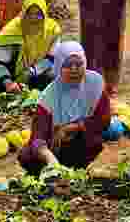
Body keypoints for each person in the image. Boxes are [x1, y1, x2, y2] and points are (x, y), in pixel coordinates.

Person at [17, 41, 113, 175]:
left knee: (91, 140)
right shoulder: (48, 97)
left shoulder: (94, 85)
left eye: (78, 64)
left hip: (82, 144)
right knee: (26, 155)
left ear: (85, 64)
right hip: (55, 148)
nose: (74, 69)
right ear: (58, 67)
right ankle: (54, 170)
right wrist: (51, 160)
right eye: (67, 65)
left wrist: (73, 127)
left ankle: (78, 168)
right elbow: (37, 137)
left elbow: (104, 119)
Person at [0, 0, 61, 94]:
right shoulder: (11, 31)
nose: (33, 18)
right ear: (23, 13)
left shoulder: (52, 29)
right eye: (29, 14)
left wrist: (31, 72)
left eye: (38, 14)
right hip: (10, 74)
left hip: (36, 72)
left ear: (44, 14)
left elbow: (51, 58)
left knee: (51, 77)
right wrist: (8, 83)